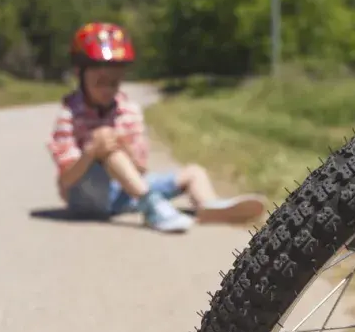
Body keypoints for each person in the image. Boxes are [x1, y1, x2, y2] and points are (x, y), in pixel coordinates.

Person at [47, 22, 267, 233]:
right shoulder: (69, 114)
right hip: (87, 198)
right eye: (100, 82)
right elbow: (66, 179)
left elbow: (141, 170)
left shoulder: (129, 111)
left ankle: (209, 207)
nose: (107, 90)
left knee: (193, 172)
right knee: (105, 145)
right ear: (80, 75)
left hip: (125, 194)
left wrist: (124, 147)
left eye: (113, 83)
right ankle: (151, 207)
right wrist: (91, 151)